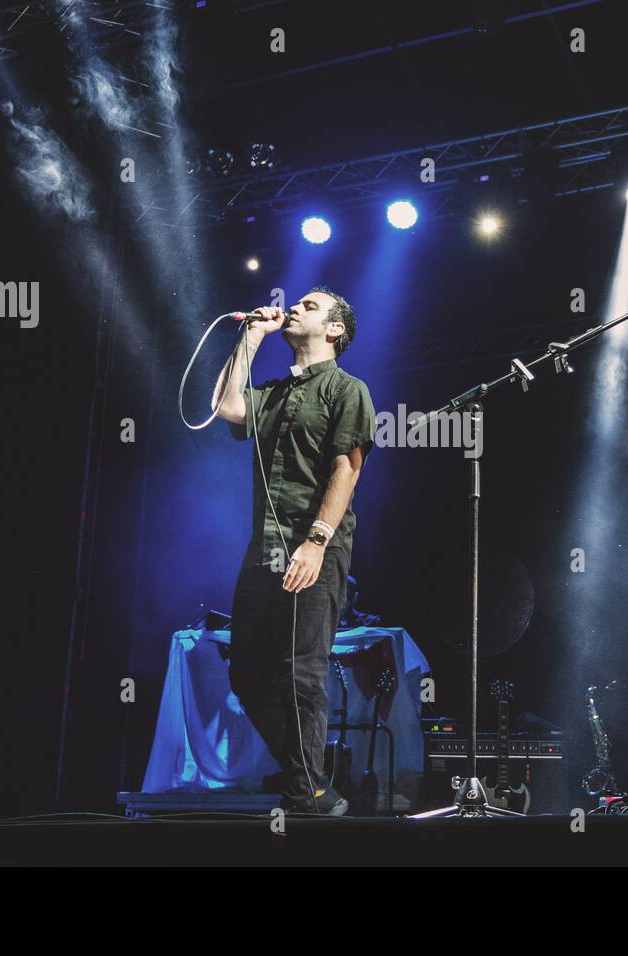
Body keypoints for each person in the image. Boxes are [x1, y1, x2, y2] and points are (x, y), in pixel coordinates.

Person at [211, 287, 376, 814]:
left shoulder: (348, 390)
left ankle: (306, 795)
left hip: (315, 547)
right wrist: (251, 337)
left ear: (334, 330)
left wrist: (317, 542)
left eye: (309, 305)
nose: (295, 307)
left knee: (301, 670)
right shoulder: (276, 392)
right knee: (247, 672)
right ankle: (318, 778)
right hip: (264, 548)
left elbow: (346, 469)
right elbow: (228, 406)